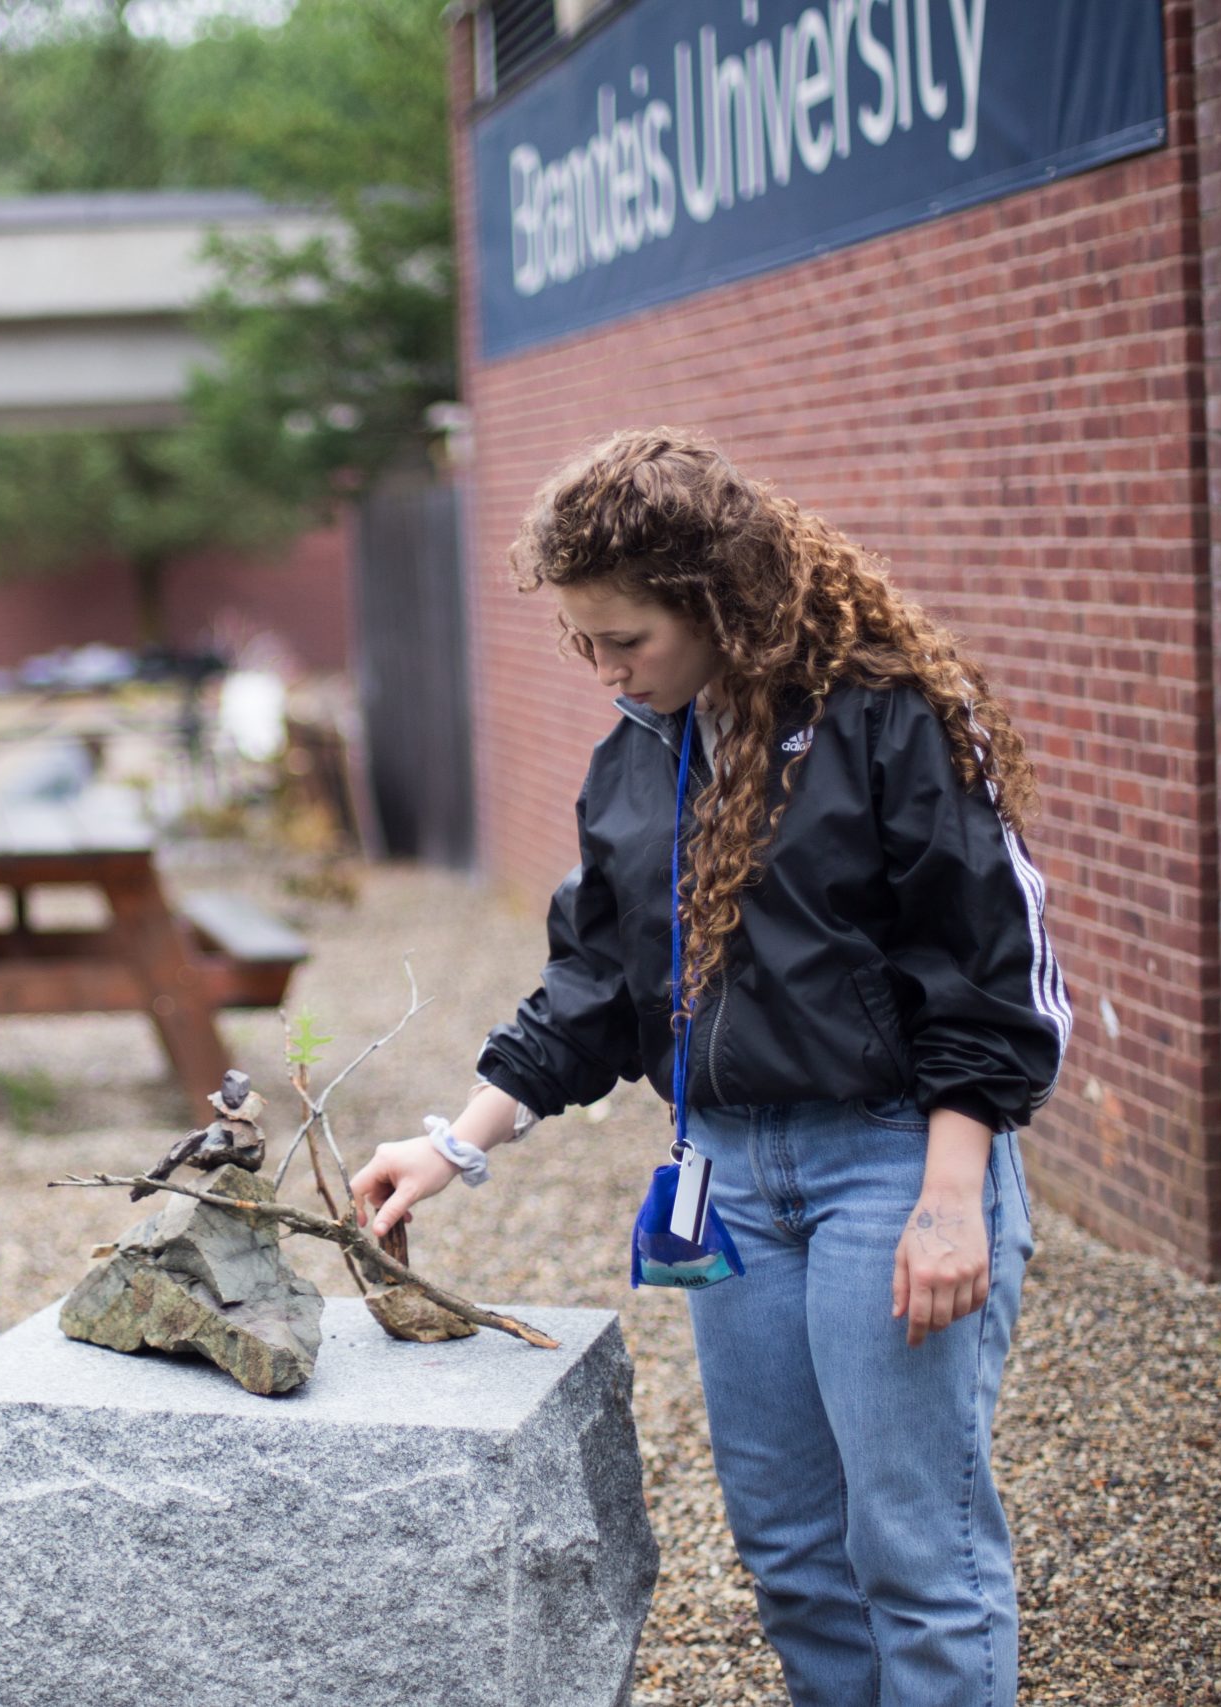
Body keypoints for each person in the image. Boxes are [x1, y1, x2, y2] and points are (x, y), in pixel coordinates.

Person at [351, 429, 1067, 1706]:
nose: (602, 667)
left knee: (914, 1549)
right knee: (791, 1556)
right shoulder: (637, 752)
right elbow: (598, 985)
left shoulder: (888, 715)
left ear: (714, 602)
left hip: (889, 1165)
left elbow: (985, 968)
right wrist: (454, 1143)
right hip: (728, 1181)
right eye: (581, 640)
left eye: (623, 638)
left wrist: (951, 1198)